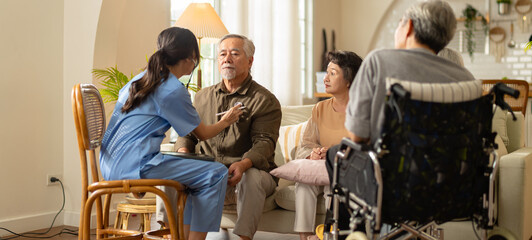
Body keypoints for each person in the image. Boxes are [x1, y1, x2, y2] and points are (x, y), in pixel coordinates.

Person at [325, 0, 476, 237]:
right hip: (451, 189)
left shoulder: (379, 62)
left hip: (390, 187)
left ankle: (348, 234)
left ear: (409, 27)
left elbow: (357, 135)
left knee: (337, 154)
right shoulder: (466, 78)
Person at [99, 27, 243, 240]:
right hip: (134, 166)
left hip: (109, 164)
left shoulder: (140, 79)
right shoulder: (172, 89)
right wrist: (226, 121)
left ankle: (182, 237)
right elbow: (202, 133)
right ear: (190, 58)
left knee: (196, 173)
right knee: (215, 173)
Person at [159, 33, 282, 240]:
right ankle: (171, 232)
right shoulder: (202, 96)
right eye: (223, 54)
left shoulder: (265, 100)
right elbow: (187, 135)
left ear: (250, 61)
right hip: (207, 171)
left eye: (235, 54)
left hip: (248, 172)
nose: (227, 59)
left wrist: (243, 164)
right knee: (172, 167)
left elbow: (264, 143)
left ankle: (243, 237)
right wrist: (183, 154)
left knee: (251, 177)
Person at [293, 51, 362, 240]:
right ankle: (305, 237)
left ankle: (330, 236)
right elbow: (305, 145)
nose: (325, 78)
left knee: (334, 189)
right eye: (326, 72)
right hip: (318, 169)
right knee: (303, 184)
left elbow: (365, 148)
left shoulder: (363, 110)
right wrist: (312, 154)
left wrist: (334, 154)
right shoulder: (320, 108)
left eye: (333, 73)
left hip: (343, 173)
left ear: (349, 79)